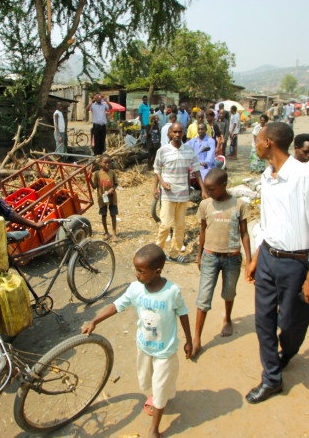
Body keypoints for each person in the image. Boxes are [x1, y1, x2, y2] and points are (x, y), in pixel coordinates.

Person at [244, 122, 309, 404]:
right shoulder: (266, 177)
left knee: (292, 323)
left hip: (297, 264)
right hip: (269, 258)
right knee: (263, 321)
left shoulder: (306, 178)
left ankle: (287, 353)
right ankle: (272, 378)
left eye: (257, 139)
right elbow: (267, 223)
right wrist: (258, 257)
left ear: (269, 142)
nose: (254, 145)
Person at [82, 244, 192, 438]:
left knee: (159, 386)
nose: (136, 275)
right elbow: (117, 305)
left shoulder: (172, 292)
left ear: (157, 271)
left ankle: (154, 428)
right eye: (136, 270)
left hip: (164, 352)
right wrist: (95, 320)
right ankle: (161, 395)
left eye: (141, 271)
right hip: (144, 347)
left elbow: (183, 313)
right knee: (148, 379)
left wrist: (189, 339)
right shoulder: (135, 289)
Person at [192, 169, 251, 358]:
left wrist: (249, 260)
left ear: (224, 185)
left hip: (232, 258)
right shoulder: (205, 205)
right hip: (210, 256)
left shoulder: (239, 205)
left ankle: (227, 318)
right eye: (207, 190)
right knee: (203, 297)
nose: (208, 193)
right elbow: (202, 231)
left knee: (229, 292)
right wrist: (199, 255)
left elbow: (244, 233)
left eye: (211, 189)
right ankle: (197, 338)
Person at [154, 123, 206, 264]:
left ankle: (174, 253)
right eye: (175, 132)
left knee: (180, 226)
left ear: (183, 133)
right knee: (165, 224)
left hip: (183, 194)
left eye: (180, 132)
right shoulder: (162, 150)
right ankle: (158, 252)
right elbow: (157, 170)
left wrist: (203, 189)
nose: (177, 135)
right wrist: (160, 184)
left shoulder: (189, 151)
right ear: (170, 133)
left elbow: (196, 170)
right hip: (168, 194)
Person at [91, 154, 119, 241]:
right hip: (102, 198)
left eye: (109, 162)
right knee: (104, 215)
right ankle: (106, 232)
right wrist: (88, 180)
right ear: (100, 163)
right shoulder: (97, 174)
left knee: (113, 214)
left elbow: (116, 184)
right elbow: (94, 186)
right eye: (105, 162)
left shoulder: (112, 172)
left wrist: (112, 189)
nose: (107, 164)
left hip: (112, 198)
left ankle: (114, 233)